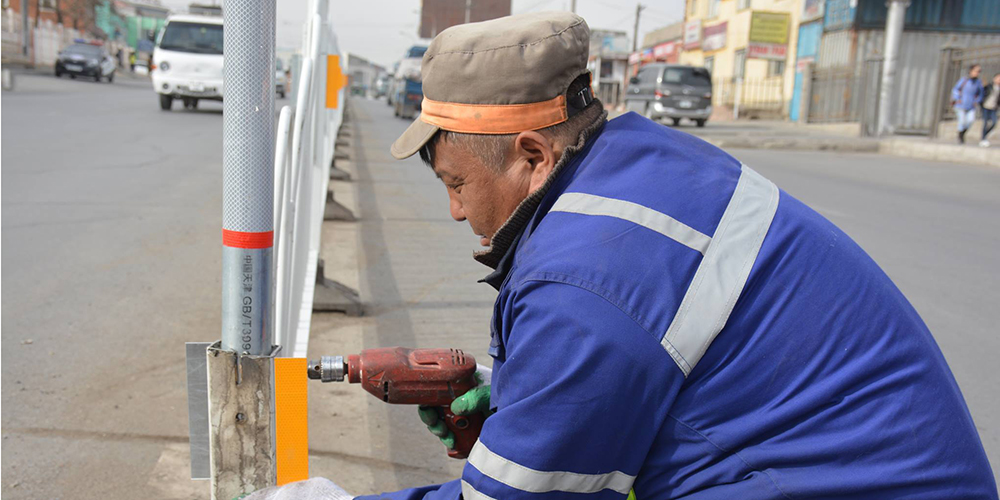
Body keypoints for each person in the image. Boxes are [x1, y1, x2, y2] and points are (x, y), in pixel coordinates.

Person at [263, 12, 998, 499]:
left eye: (458, 183)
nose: (456, 211)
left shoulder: (585, 279)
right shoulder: (641, 156)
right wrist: (516, 393)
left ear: (529, 155)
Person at [951, 63, 984, 144]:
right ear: (971, 71)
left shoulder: (978, 82)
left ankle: (962, 133)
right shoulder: (964, 80)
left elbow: (980, 93)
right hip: (960, 105)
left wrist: (976, 101)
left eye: (979, 71)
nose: (977, 73)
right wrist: (957, 98)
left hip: (971, 106)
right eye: (976, 71)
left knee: (970, 120)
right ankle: (960, 135)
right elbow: (955, 89)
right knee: (962, 121)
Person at [981, 72, 999, 147]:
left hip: (994, 108)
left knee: (994, 122)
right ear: (994, 78)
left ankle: (986, 134)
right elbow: (983, 94)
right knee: (985, 123)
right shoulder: (989, 86)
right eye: (998, 78)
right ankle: (983, 138)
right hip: (986, 107)